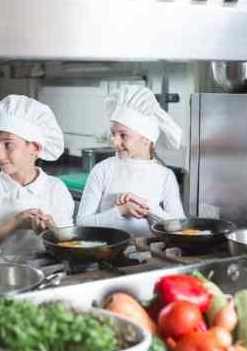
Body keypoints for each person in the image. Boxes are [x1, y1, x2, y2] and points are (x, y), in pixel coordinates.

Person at [0, 95, 74, 256]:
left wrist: (51, 229)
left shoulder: (55, 188)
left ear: (35, 148)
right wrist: (15, 224)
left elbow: (69, 243)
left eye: (8, 144)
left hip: (48, 270)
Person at [76, 85, 185, 237]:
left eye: (123, 135)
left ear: (146, 138)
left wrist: (146, 205)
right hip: (105, 252)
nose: (114, 142)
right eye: (113, 133)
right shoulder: (102, 170)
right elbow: (82, 223)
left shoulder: (165, 176)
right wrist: (120, 211)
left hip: (150, 255)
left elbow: (177, 226)